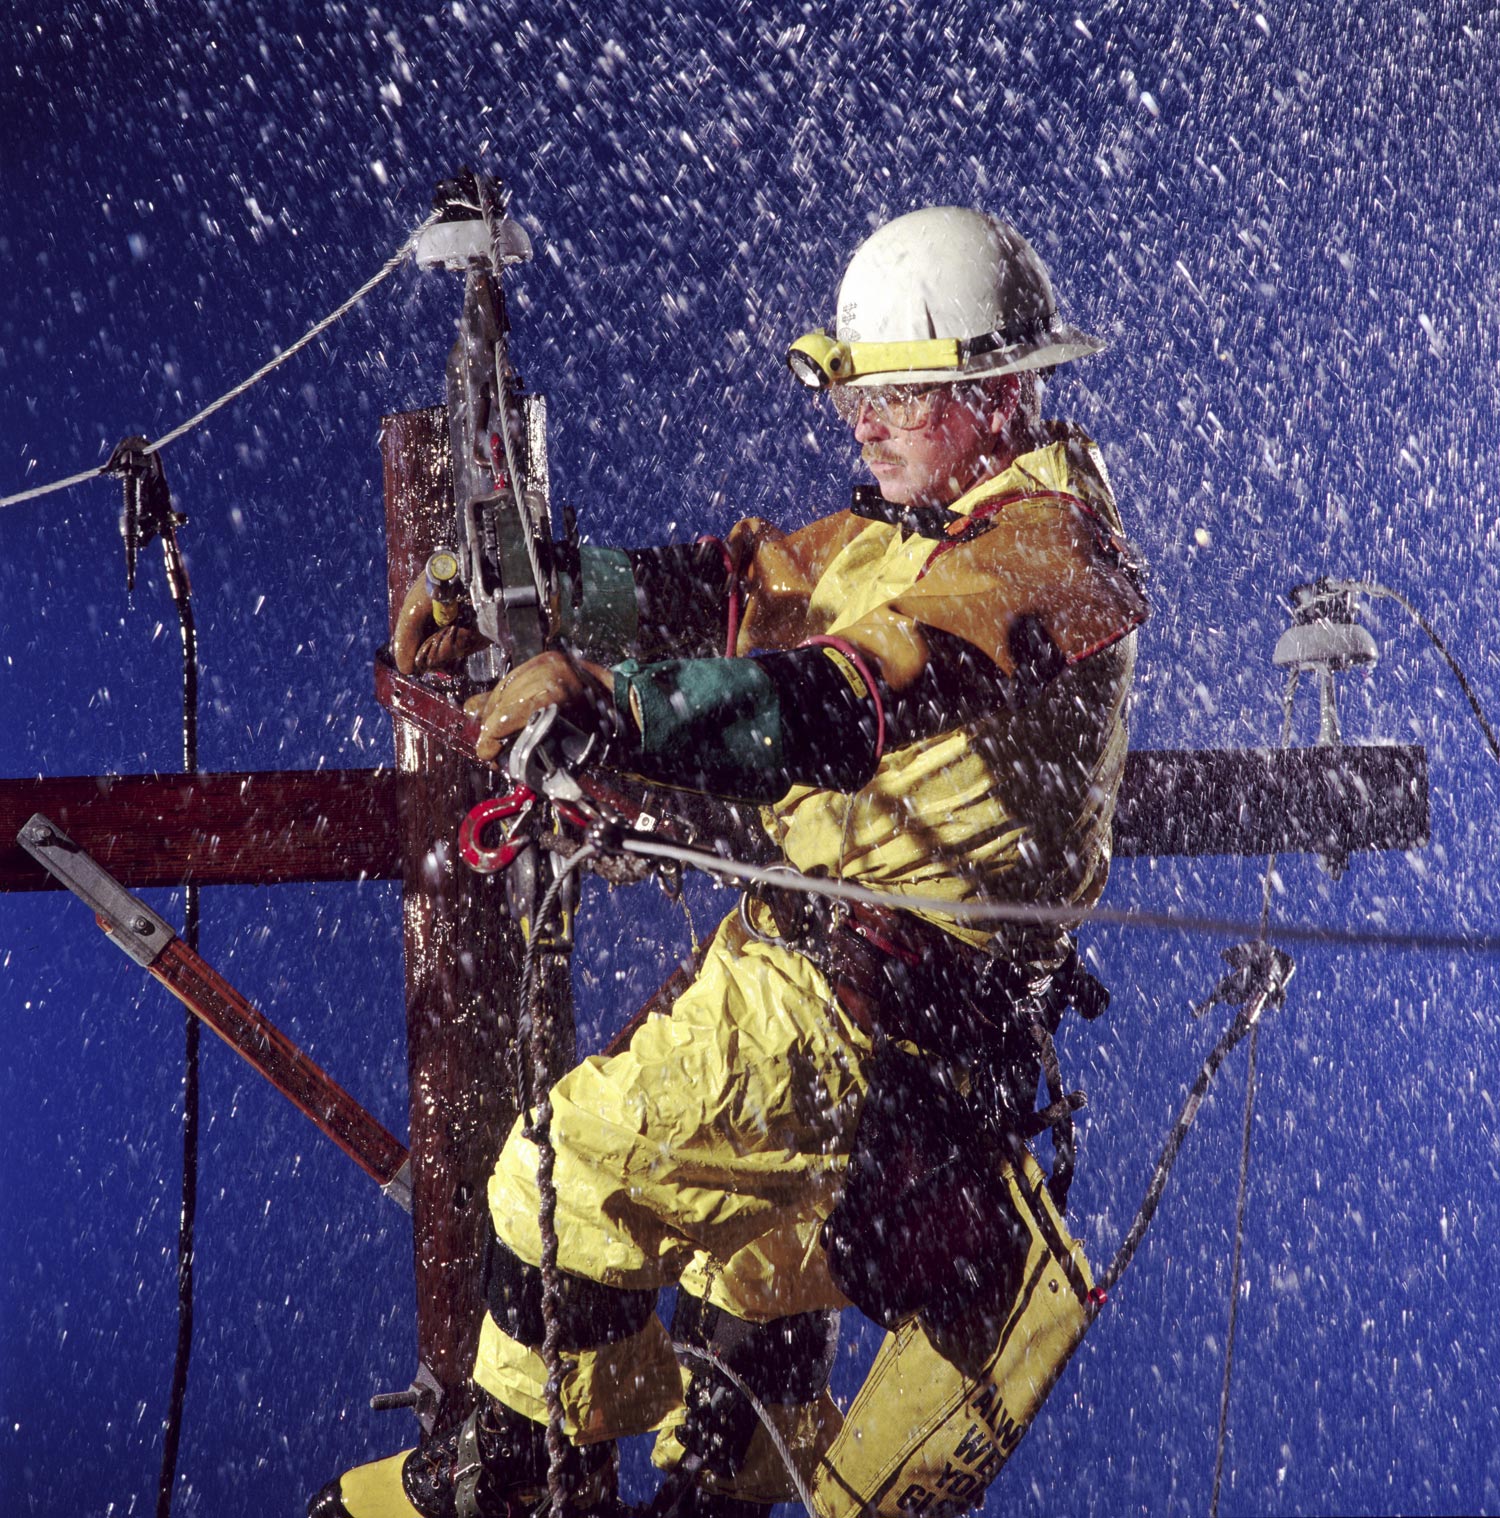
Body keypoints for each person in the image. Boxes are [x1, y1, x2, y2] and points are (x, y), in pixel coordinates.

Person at [312, 205, 1148, 1518]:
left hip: (872, 1018)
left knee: (566, 1171)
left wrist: (620, 707)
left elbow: (853, 693)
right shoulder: (900, 532)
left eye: (894, 395)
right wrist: (523, 589)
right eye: (851, 391)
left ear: (998, 391)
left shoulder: (1046, 556)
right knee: (740, 1259)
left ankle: (525, 1479)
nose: (860, 422)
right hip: (806, 984)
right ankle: (726, 1472)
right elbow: (723, 585)